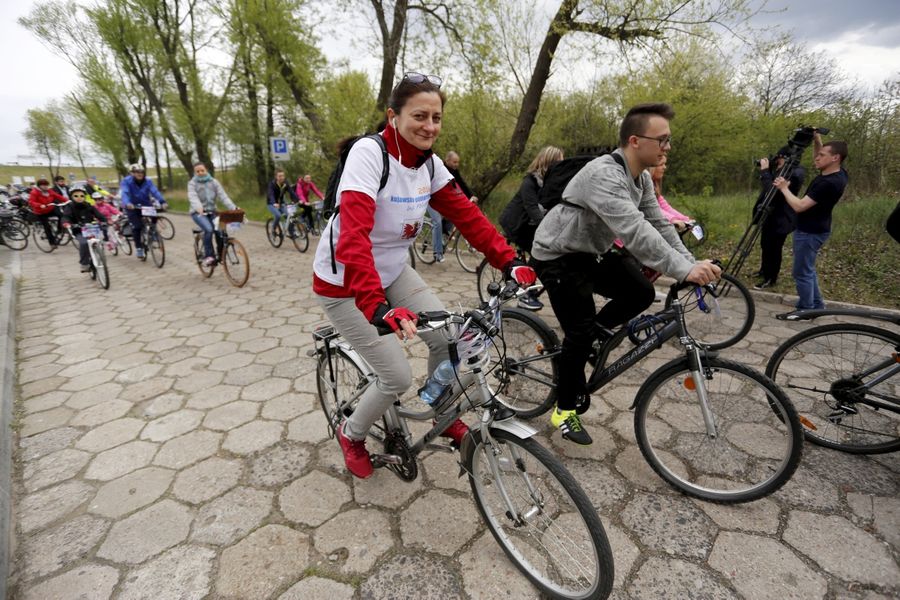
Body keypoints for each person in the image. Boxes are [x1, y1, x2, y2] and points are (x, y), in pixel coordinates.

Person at [312, 72, 535, 479]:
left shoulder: (429, 165)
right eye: (419, 115)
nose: (429, 126)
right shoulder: (369, 154)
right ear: (393, 116)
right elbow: (354, 237)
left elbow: (469, 217)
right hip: (345, 284)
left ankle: (442, 412)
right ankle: (352, 432)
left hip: (393, 272)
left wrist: (508, 260)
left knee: (452, 340)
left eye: (436, 117)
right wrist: (376, 306)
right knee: (394, 375)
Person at [530, 102, 721, 445]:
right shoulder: (605, 174)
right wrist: (683, 269)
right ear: (635, 140)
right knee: (579, 329)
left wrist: (691, 264)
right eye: (662, 140)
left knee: (640, 292)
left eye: (669, 140)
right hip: (557, 254)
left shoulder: (641, 177)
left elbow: (658, 224)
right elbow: (635, 232)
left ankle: (592, 339)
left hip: (591, 250)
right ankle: (564, 408)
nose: (667, 147)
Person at [773, 133, 848, 319]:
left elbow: (799, 206)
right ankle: (817, 305)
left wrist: (784, 188)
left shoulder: (828, 183)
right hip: (817, 229)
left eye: (822, 155)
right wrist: (816, 141)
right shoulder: (838, 173)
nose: (817, 157)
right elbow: (821, 158)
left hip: (810, 232)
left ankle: (805, 310)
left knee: (801, 272)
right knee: (808, 270)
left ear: (835, 158)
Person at [498, 146, 564, 310]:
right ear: (549, 163)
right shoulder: (530, 181)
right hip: (516, 225)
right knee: (539, 253)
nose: (562, 166)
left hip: (529, 225)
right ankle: (524, 293)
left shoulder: (549, 183)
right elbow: (532, 209)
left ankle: (531, 290)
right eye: (559, 163)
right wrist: (550, 231)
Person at [752, 148, 805, 289]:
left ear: (785, 158)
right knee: (765, 244)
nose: (776, 159)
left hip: (781, 218)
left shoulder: (794, 173)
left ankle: (771, 278)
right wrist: (768, 171)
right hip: (769, 215)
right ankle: (764, 270)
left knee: (774, 249)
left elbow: (772, 192)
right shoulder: (780, 170)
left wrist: (764, 172)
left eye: (778, 157)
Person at [188, 162, 238, 265]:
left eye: (202, 170)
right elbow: (192, 196)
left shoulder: (214, 182)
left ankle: (221, 254)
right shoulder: (192, 183)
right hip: (198, 213)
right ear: (195, 172)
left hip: (212, 211)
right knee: (209, 229)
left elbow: (223, 196)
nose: (200, 173)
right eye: (198, 171)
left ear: (206, 170)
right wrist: (198, 207)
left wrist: (234, 208)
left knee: (220, 231)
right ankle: (209, 256)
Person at [119, 163, 168, 259]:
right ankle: (139, 248)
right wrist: (128, 203)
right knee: (137, 227)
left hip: (146, 205)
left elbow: (154, 191)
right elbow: (125, 193)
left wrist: (162, 201)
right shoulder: (126, 181)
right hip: (132, 206)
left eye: (141, 172)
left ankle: (152, 232)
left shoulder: (148, 181)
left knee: (154, 218)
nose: (139, 174)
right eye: (136, 172)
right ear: (131, 173)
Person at [60, 185, 107, 272]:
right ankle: (84, 263)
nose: (79, 198)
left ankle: (100, 256)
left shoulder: (89, 206)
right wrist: (66, 223)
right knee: (84, 243)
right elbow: (66, 216)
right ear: (71, 197)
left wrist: (104, 221)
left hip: (91, 229)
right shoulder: (70, 207)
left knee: (100, 241)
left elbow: (99, 215)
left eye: (82, 196)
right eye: (76, 196)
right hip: (79, 230)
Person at [27, 178, 66, 246]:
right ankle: (52, 242)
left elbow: (58, 196)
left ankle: (59, 230)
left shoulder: (50, 191)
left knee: (62, 215)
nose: (46, 187)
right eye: (43, 185)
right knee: (47, 227)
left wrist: (68, 201)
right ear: (39, 186)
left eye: (46, 185)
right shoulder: (34, 192)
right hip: (40, 212)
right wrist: (40, 205)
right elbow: (31, 202)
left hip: (50, 209)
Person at [267, 168, 299, 236]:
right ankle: (273, 229)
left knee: (290, 215)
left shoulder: (285, 183)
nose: (281, 178)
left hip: (281, 203)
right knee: (278, 215)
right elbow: (271, 194)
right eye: (279, 176)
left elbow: (291, 192)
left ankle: (291, 232)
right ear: (276, 176)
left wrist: (296, 200)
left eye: (282, 176)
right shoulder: (272, 184)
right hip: (271, 204)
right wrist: (274, 203)